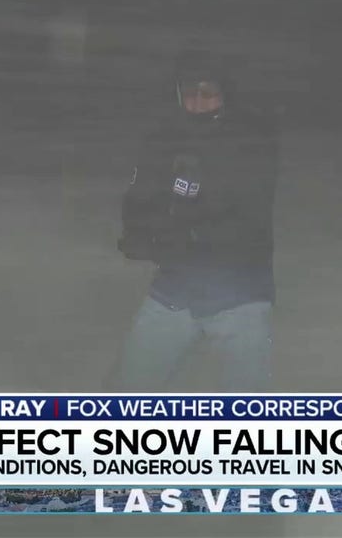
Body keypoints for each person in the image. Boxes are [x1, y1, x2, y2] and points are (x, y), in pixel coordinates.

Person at [112, 48, 279, 392]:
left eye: (208, 92)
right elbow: (140, 197)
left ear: (226, 94)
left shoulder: (250, 140)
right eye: (190, 92)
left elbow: (244, 210)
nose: (198, 102)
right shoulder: (164, 138)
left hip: (240, 291)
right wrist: (139, 232)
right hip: (177, 286)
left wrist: (188, 231)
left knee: (247, 404)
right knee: (128, 391)